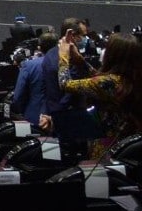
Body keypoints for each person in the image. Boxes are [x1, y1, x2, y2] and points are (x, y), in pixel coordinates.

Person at [42, 32, 142, 161]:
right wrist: (80, 60)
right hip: (127, 145)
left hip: (107, 148)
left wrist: (63, 56)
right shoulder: (128, 80)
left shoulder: (110, 83)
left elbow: (65, 84)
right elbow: (98, 79)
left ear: (112, 55)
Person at [40, 17, 97, 150]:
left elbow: (45, 87)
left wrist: (47, 113)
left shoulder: (49, 53)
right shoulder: (70, 58)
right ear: (72, 35)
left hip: (53, 114)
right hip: (71, 117)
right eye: (83, 35)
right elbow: (71, 89)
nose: (86, 38)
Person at [10, 31, 58, 125]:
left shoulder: (29, 65)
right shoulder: (66, 64)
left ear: (39, 48)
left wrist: (22, 111)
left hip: (34, 117)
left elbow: (18, 96)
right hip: (61, 117)